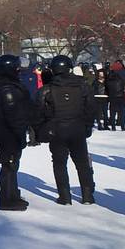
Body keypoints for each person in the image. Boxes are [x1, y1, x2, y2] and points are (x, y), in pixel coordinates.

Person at [35, 55, 97, 205]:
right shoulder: (82, 85)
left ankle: (65, 196)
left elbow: (38, 111)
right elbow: (91, 107)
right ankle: (87, 195)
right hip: (77, 128)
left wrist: (43, 127)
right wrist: (87, 125)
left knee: (59, 162)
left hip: (57, 129)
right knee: (82, 162)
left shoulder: (47, 89)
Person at [0, 54, 33, 211]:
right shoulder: (7, 89)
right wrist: (20, 133)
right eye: (16, 68)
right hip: (9, 132)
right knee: (9, 165)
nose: (19, 70)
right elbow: (13, 115)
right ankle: (7, 198)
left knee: (11, 164)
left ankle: (12, 193)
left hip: (3, 130)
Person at [106, 62, 125, 132]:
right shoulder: (124, 75)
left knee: (112, 112)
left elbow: (107, 86)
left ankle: (113, 126)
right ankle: (123, 126)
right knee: (122, 112)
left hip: (112, 96)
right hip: (121, 95)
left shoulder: (110, 75)